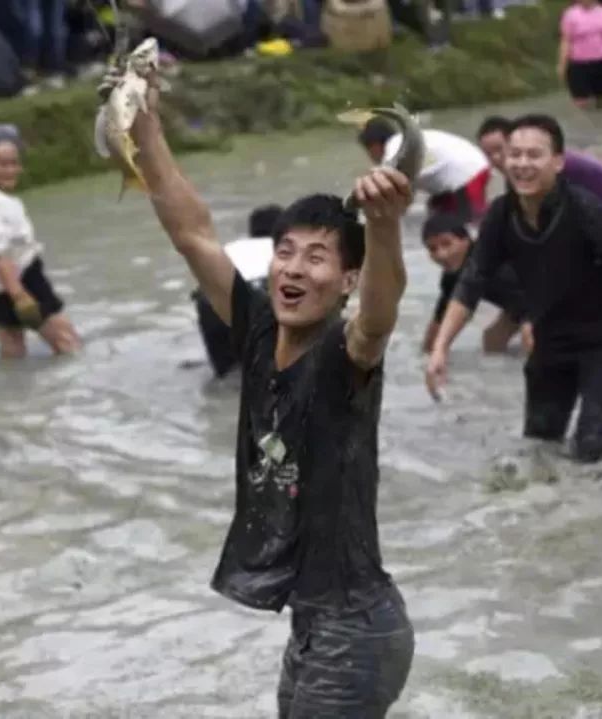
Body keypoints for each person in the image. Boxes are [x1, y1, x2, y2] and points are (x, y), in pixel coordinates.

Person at [109, 67, 415, 716]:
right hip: (311, 626)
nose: (294, 268)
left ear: (347, 278)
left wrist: (386, 227)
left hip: (357, 629)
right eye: (286, 252)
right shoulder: (255, 331)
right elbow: (191, 232)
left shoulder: (343, 355)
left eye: (316, 257)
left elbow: (380, 319)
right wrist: (144, 125)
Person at [427, 115, 602, 462]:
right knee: (540, 446)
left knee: (594, 447)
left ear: (557, 162)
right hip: (549, 342)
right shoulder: (501, 215)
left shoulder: (589, 212)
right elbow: (472, 282)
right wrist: (440, 348)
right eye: (515, 155)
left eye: (534, 155)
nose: (522, 164)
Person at [0, 124, 81, 359]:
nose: (12, 170)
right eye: (2, 164)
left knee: (12, 349)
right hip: (20, 280)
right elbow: (0, 257)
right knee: (68, 343)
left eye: (15, 163)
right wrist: (21, 297)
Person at [476, 115, 602, 219]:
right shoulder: (517, 175)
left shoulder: (546, 165)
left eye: (499, 149)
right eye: (488, 153)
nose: (495, 158)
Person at [194, 204, 282, 378]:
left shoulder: (231, 247)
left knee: (226, 376)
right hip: (254, 296)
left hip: (208, 302)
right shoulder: (283, 249)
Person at [420, 212, 525, 356]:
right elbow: (438, 329)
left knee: (530, 338)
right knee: (492, 343)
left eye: (447, 243)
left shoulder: (491, 260)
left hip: (549, 296)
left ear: (466, 240)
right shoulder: (452, 277)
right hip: (519, 305)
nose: (441, 254)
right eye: (432, 249)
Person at [359, 116, 491, 224]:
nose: (370, 156)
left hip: (467, 176)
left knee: (469, 225)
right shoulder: (404, 141)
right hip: (470, 169)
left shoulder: (394, 146)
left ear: (374, 145)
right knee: (438, 219)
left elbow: (388, 185)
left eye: (367, 150)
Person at [558, 0, 602, 109]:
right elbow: (566, 41)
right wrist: (562, 64)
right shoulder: (570, 14)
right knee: (581, 102)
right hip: (579, 64)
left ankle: (601, 125)